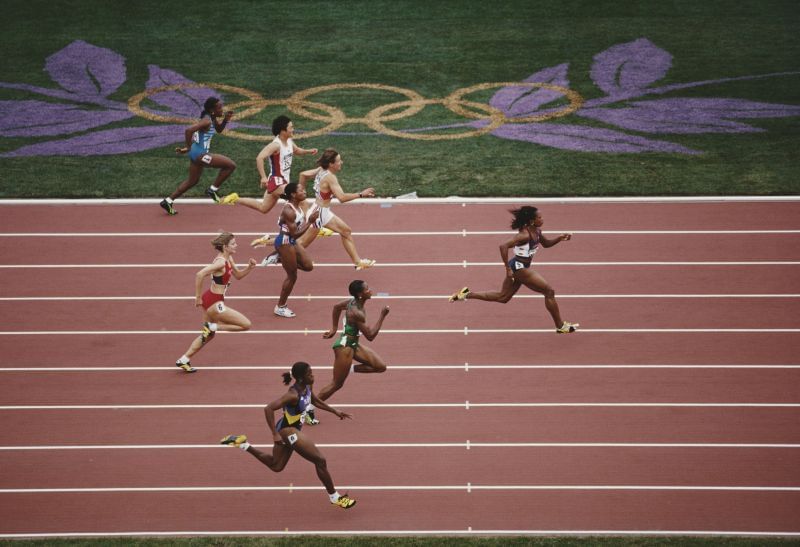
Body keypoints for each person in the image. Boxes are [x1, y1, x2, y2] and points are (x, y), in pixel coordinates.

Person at [220, 361, 357, 509]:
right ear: (300, 378)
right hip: (288, 431)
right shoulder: (292, 395)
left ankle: (242, 443)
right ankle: (335, 497)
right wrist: (274, 434)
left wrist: (335, 411)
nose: (313, 375)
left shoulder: (307, 387)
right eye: (309, 374)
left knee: (276, 466)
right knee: (320, 461)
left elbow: (314, 400)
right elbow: (268, 409)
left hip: (292, 430)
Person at [449, 206, 579, 334]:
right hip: (519, 268)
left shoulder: (537, 231)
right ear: (531, 220)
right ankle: (560, 326)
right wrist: (507, 269)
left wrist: (560, 238)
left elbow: (546, 244)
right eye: (540, 217)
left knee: (503, 297)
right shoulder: (524, 235)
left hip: (518, 267)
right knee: (549, 291)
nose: (542, 219)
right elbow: (503, 246)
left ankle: (466, 294)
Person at [218, 115, 319, 246]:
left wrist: (308, 151)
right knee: (301, 199)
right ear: (283, 130)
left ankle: (235, 198)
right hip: (277, 181)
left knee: (263, 208)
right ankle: (313, 225)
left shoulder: (289, 141)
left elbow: (297, 150)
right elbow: (259, 158)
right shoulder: (275, 145)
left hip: (283, 181)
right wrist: (263, 177)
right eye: (291, 127)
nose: (293, 129)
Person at [301, 280, 389, 424]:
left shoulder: (352, 302)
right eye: (367, 289)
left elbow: (336, 307)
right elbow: (371, 336)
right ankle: (307, 408)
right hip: (345, 348)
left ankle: (349, 369)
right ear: (360, 294)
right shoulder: (357, 313)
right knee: (336, 384)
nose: (370, 290)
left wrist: (333, 328)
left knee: (380, 367)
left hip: (353, 344)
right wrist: (382, 316)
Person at [279, 148, 376, 270]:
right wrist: (361, 194)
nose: (342, 163)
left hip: (322, 211)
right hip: (318, 215)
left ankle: (358, 263)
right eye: (339, 161)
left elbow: (303, 175)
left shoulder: (321, 170)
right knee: (302, 243)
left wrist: (302, 198)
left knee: (346, 231)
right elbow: (342, 198)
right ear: (331, 164)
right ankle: (280, 256)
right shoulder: (330, 178)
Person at [174, 232, 257, 372]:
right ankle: (213, 327)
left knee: (207, 335)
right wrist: (197, 297)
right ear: (225, 247)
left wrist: (250, 267)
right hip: (214, 303)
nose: (236, 245)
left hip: (212, 299)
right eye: (233, 244)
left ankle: (184, 359)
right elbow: (199, 274)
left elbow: (238, 276)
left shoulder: (228, 258)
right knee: (246, 325)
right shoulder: (220, 262)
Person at [160, 97, 236, 215]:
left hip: (195, 153)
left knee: (192, 181)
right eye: (219, 107)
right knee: (230, 165)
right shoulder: (207, 121)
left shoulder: (212, 118)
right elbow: (188, 131)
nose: (222, 109)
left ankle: (168, 201)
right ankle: (212, 190)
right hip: (200, 154)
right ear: (212, 110)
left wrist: (225, 120)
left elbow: (219, 130)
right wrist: (189, 147)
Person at [272, 182, 320, 318]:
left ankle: (282, 258)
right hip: (285, 243)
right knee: (292, 276)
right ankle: (280, 307)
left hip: (291, 241)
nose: (304, 191)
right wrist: (310, 222)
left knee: (308, 266)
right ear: (293, 194)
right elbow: (295, 234)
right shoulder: (289, 211)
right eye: (301, 190)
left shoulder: (297, 206)